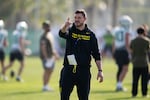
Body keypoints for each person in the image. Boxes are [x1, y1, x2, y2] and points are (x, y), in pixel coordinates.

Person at [59, 9, 103, 100]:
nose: (76, 19)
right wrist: (65, 26)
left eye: (79, 18)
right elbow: (61, 33)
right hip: (68, 70)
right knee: (64, 96)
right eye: (75, 17)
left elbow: (96, 54)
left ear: (84, 19)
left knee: (84, 97)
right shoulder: (71, 31)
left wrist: (100, 71)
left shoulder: (90, 35)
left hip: (83, 71)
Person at [112, 15, 133, 91]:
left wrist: (113, 53)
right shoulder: (127, 31)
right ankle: (119, 85)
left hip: (117, 51)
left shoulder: (116, 30)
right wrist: (130, 53)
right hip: (124, 51)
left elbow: (114, 43)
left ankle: (118, 85)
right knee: (125, 69)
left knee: (120, 68)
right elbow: (127, 43)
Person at [130, 26, 150, 97]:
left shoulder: (133, 41)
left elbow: (131, 51)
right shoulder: (147, 41)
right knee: (144, 80)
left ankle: (134, 93)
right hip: (144, 62)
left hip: (135, 62)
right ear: (144, 32)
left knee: (135, 79)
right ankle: (144, 93)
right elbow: (148, 51)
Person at [40, 21, 59, 91]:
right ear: (44, 27)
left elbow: (51, 47)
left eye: (49, 26)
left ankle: (46, 85)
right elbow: (43, 47)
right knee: (47, 70)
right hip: (47, 57)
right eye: (46, 26)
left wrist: (55, 54)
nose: (48, 27)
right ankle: (45, 86)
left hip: (50, 56)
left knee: (50, 70)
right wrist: (45, 57)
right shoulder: (44, 36)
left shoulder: (49, 35)